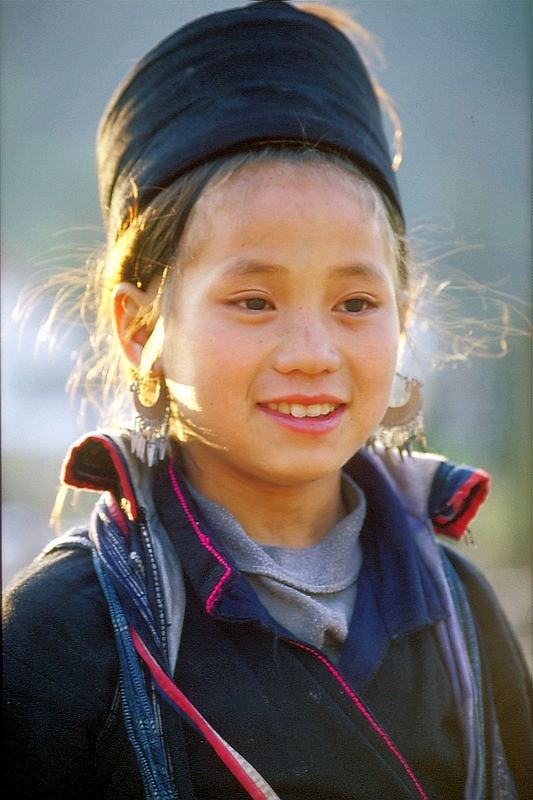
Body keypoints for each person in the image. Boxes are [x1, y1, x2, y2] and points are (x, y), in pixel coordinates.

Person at [3, 2, 532, 798]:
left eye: (355, 304)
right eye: (253, 301)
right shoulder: (65, 631)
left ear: (404, 316)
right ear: (139, 324)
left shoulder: (460, 612)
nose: (313, 355)